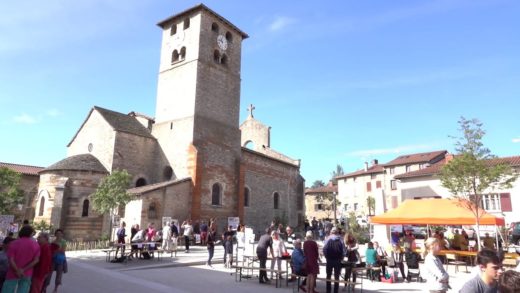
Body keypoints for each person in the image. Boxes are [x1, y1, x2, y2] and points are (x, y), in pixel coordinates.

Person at [2, 225, 40, 293]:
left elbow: (11, 259)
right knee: (23, 290)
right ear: (31, 233)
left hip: (12, 272)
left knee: (7, 290)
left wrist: (17, 270)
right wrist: (23, 270)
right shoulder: (36, 245)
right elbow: (36, 260)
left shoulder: (13, 243)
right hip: (27, 273)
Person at [323, 227, 346, 293]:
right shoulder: (341, 239)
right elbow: (344, 251)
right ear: (337, 232)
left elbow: (324, 249)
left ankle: (328, 291)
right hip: (338, 260)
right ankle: (336, 291)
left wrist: (326, 257)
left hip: (329, 260)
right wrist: (342, 258)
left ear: (331, 232)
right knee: (337, 276)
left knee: (328, 276)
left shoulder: (327, 239)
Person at [46, 229, 67, 293]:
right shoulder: (53, 241)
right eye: (57, 233)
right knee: (49, 274)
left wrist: (56, 249)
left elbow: (63, 251)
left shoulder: (63, 242)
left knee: (59, 275)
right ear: (55, 234)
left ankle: (55, 289)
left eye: (60, 233)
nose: (59, 235)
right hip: (53, 259)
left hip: (60, 260)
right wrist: (57, 249)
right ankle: (45, 287)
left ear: (62, 234)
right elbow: (51, 251)